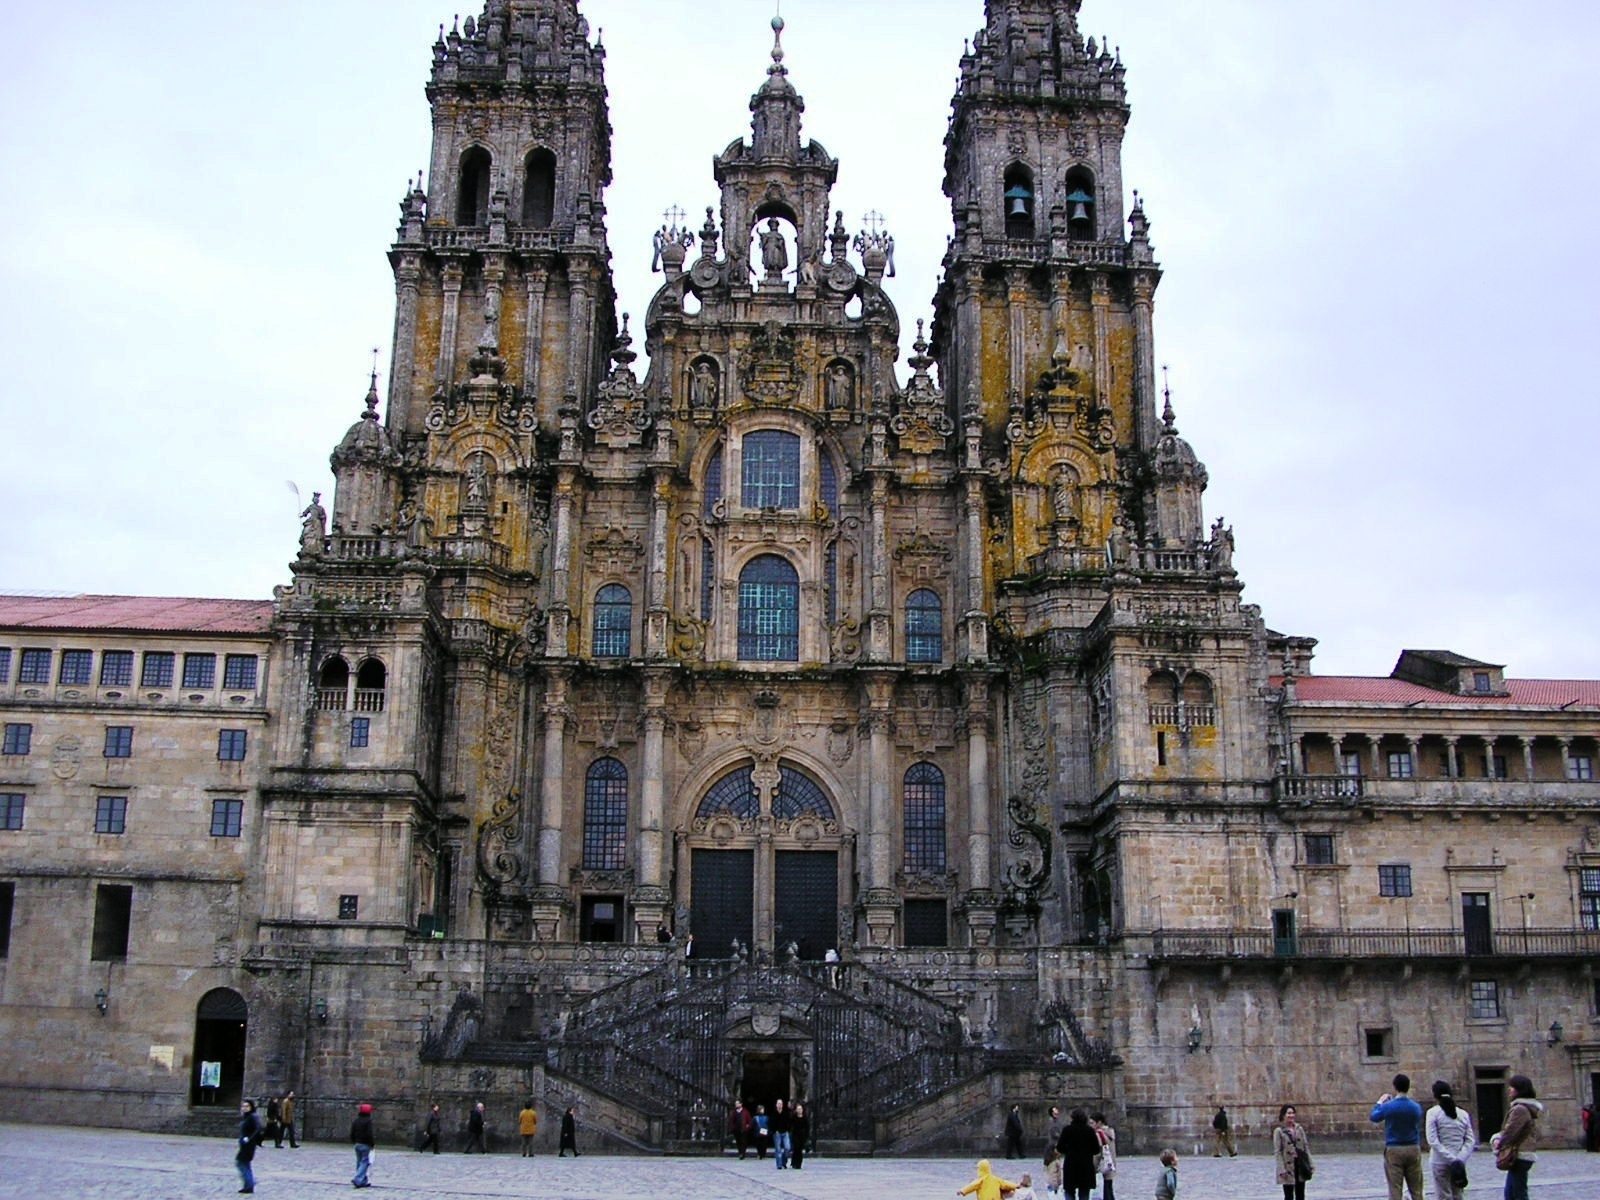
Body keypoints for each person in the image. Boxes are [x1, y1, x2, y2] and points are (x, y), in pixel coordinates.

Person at [1370, 1073, 1425, 1200]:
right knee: (1416, 1189)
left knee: (1395, 1188)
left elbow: (1374, 1117)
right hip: (1413, 1147)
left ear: (1395, 1087)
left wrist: (1380, 1103)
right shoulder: (1416, 1107)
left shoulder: (1389, 1106)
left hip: (1394, 1148)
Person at [1491, 1075, 1542, 1200]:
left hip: (1519, 1154)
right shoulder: (1525, 1108)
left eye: (1512, 1087)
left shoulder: (1519, 1109)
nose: (1509, 1090)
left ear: (1519, 1090)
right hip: (1522, 1154)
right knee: (1513, 1192)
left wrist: (1498, 1142)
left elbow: (1510, 1131)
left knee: (1517, 1193)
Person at [1426, 1080, 1475, 1200]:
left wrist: (1449, 1157)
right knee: (1458, 1194)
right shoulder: (1463, 1114)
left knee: (1443, 1195)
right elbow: (1470, 1140)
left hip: (1440, 1160)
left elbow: (1432, 1140)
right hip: (1459, 1160)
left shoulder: (1433, 1113)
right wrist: (1459, 1158)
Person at [1057, 1107, 1100, 1200]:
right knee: (1084, 1192)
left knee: (1069, 1191)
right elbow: (1096, 1149)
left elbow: (1060, 1147)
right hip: (1086, 1165)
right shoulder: (1089, 1131)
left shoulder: (1067, 1130)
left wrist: (1068, 1151)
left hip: (1071, 1165)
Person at [1273, 1104, 1313, 1200]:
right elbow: (1278, 1151)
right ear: (1283, 1115)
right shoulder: (1279, 1131)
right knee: (1288, 1195)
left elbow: (1306, 1147)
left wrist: (1310, 1163)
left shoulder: (1299, 1129)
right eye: (1289, 1113)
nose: (1291, 1115)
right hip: (1287, 1166)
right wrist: (1281, 1169)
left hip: (1300, 1164)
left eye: (1292, 1113)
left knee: (1301, 1194)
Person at [235, 1099, 261, 1194]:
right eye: (243, 1106)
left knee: (240, 1163)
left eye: (247, 1106)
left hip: (248, 1144)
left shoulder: (252, 1117)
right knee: (246, 1164)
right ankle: (248, 1186)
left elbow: (258, 1128)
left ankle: (250, 1183)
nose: (245, 1108)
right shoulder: (246, 1117)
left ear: (251, 1107)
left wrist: (249, 1139)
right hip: (244, 1143)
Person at [1091, 1111, 1118, 1200]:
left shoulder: (1099, 1134)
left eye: (1092, 1123)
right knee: (1109, 1190)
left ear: (1099, 1122)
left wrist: (1092, 1167)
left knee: (1104, 1193)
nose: (1090, 1125)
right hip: (1110, 1166)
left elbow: (1097, 1154)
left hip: (1102, 1167)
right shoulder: (1110, 1131)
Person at [351, 1102, 375, 1188]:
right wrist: (372, 1144)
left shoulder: (356, 1120)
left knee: (359, 1162)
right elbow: (369, 1134)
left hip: (357, 1144)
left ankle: (363, 1180)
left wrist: (354, 1142)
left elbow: (352, 1132)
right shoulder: (368, 1121)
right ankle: (358, 1179)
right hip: (365, 1144)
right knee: (365, 1162)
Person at [772, 1097, 792, 1169]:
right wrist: (774, 1131)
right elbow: (771, 1123)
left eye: (781, 1104)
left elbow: (789, 1122)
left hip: (785, 1132)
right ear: (776, 1105)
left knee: (787, 1147)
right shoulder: (774, 1114)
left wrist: (788, 1129)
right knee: (778, 1149)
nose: (780, 1105)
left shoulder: (785, 1113)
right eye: (778, 1104)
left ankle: (784, 1161)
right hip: (777, 1133)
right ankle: (779, 1164)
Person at [791, 1102, 809, 1169]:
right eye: (798, 1109)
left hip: (802, 1136)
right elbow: (791, 1125)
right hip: (795, 1135)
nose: (799, 1110)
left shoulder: (805, 1118)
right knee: (796, 1149)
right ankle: (794, 1162)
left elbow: (807, 1127)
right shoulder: (794, 1117)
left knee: (800, 1150)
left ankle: (799, 1164)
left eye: (800, 1109)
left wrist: (806, 1136)